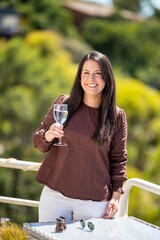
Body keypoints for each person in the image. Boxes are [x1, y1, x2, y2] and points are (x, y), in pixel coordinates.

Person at [32, 50, 128, 223]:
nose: (91, 79)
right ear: (79, 77)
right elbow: (38, 143)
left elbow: (118, 160)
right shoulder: (63, 104)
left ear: (107, 79)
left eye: (98, 74)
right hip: (55, 196)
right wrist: (49, 135)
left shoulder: (117, 116)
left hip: (94, 202)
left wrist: (115, 196)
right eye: (86, 73)